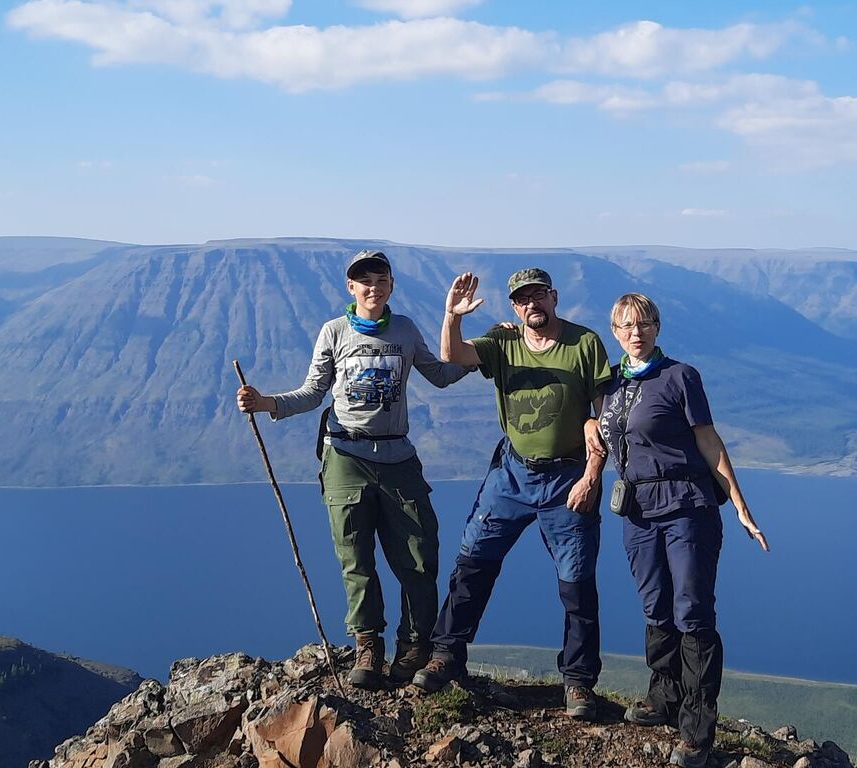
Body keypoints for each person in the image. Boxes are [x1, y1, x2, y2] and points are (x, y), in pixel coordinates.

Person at [236, 250, 470, 688]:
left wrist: (486, 352)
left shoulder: (404, 330)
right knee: (355, 559)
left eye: (381, 279)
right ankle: (368, 645)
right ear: (351, 288)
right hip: (346, 457)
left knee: (420, 558)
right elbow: (312, 393)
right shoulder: (334, 332)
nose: (373, 287)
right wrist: (265, 402)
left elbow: (438, 374)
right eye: (364, 281)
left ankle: (414, 646)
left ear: (391, 285)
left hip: (398, 458)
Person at [411, 267, 613, 721]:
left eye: (539, 295)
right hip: (513, 474)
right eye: (523, 299)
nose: (531, 305)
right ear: (514, 307)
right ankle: (446, 654)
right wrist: (452, 315)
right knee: (473, 564)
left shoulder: (585, 344)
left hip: (569, 479)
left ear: (554, 297)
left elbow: (606, 421)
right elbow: (452, 355)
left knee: (577, 584)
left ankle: (578, 683)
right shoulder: (502, 343)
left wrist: (592, 475)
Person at [598, 292, 769, 768]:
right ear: (615, 332)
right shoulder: (609, 383)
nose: (636, 332)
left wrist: (739, 504)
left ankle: (697, 729)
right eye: (627, 325)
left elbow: (710, 442)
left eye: (645, 323)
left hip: (686, 506)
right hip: (636, 510)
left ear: (658, 327)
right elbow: (601, 426)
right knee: (655, 604)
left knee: (692, 611)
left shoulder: (680, 377)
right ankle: (663, 696)